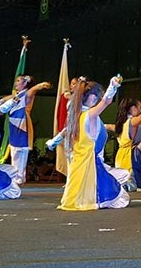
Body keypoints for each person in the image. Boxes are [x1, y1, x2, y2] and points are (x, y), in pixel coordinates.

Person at [58, 76, 130, 211]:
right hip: (89, 161)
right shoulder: (89, 115)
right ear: (92, 98)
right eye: (97, 97)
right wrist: (112, 86)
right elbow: (107, 101)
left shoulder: (76, 115)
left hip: (77, 161)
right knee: (120, 195)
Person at [2, 75, 51, 184]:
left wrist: (41, 85)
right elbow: (10, 98)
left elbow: (33, 90)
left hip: (22, 124)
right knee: (14, 152)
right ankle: (16, 177)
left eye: (18, 81)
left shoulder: (27, 94)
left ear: (25, 83)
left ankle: (18, 178)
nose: (16, 83)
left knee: (21, 152)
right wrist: (0, 101)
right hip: (14, 124)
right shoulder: (17, 95)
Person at [113, 98, 141, 191]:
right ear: (133, 108)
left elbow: (110, 127)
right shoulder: (132, 121)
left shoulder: (122, 123)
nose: (140, 109)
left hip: (122, 155)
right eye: (139, 107)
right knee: (138, 178)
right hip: (130, 155)